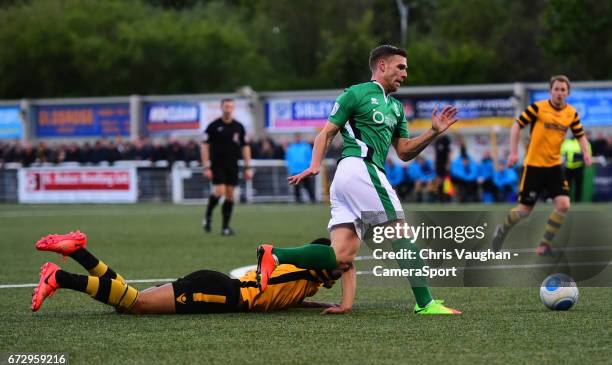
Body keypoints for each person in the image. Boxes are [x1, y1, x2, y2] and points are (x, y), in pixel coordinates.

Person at [258, 45, 461, 315]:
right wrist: (315, 164)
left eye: (406, 68)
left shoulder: (397, 108)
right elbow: (326, 133)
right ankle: (425, 303)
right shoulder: (356, 93)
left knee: (341, 255)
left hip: (351, 177)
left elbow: (404, 152)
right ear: (382, 66)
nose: (405, 73)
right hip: (360, 169)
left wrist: (433, 132)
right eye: (400, 67)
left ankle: (275, 254)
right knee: (399, 231)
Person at [31, 232, 346, 314]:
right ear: (320, 266)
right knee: (136, 304)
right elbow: (317, 264)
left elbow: (284, 300)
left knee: (127, 304)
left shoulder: (308, 285)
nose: (342, 270)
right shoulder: (307, 274)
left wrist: (317, 304)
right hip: (223, 294)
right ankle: (59, 278)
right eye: (337, 267)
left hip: (220, 286)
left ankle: (77, 251)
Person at [492, 75, 592, 255]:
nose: (560, 93)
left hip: (554, 167)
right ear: (550, 91)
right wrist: (514, 152)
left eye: (563, 90)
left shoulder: (571, 113)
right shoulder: (538, 108)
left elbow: (580, 135)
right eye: (556, 89)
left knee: (563, 205)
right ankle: (502, 229)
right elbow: (516, 126)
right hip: (534, 166)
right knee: (524, 211)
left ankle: (543, 245)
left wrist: (586, 152)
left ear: (568, 93)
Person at [201, 98, 253, 235]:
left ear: (233, 108)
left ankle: (225, 227)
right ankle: (208, 215)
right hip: (217, 164)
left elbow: (245, 147)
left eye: (230, 106)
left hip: (233, 164)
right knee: (219, 191)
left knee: (230, 195)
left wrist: (248, 166)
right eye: (226, 106)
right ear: (221, 107)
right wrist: (206, 166)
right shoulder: (213, 126)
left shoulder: (239, 127)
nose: (228, 108)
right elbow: (205, 146)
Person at [285, 133, 316, 203]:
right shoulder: (291, 147)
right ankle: (298, 200)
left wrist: (308, 167)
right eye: (296, 137)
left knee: (308, 185)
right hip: (295, 170)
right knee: (296, 187)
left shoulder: (306, 146)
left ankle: (313, 199)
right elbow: (288, 158)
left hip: (304, 170)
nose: (297, 138)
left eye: (298, 137)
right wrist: (290, 168)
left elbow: (310, 157)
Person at [561, 137, 592, 202]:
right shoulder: (567, 142)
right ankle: (567, 200)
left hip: (579, 167)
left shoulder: (584, 142)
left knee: (579, 185)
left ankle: (578, 201)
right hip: (568, 167)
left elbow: (588, 153)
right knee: (567, 186)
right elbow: (562, 153)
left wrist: (585, 159)